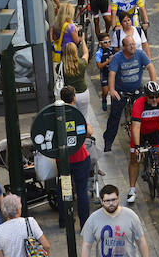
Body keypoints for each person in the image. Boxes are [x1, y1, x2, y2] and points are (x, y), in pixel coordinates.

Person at [104, 35, 156, 152]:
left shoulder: (140, 54)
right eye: (129, 45)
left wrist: (154, 84)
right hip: (121, 91)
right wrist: (112, 90)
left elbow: (150, 67)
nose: (132, 47)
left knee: (145, 112)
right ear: (124, 47)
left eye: (133, 44)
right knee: (115, 116)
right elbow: (112, 74)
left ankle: (145, 137)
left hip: (136, 89)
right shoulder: (117, 58)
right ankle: (108, 141)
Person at [127, 81, 159, 205]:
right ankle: (132, 190)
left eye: (157, 96)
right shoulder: (138, 104)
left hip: (155, 131)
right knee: (135, 159)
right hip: (140, 132)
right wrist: (137, 147)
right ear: (145, 96)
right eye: (151, 97)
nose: (154, 99)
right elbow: (135, 126)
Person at [57, 85, 92, 227]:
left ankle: (64, 220)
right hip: (80, 158)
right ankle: (84, 223)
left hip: (63, 159)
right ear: (74, 98)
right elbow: (89, 132)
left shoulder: (56, 115)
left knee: (64, 190)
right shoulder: (75, 113)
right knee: (82, 190)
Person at [80, 185, 147, 257]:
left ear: (118, 199)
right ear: (102, 201)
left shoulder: (131, 216)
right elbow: (86, 245)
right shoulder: (93, 219)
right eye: (107, 201)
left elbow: (141, 241)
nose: (111, 203)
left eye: (113, 200)